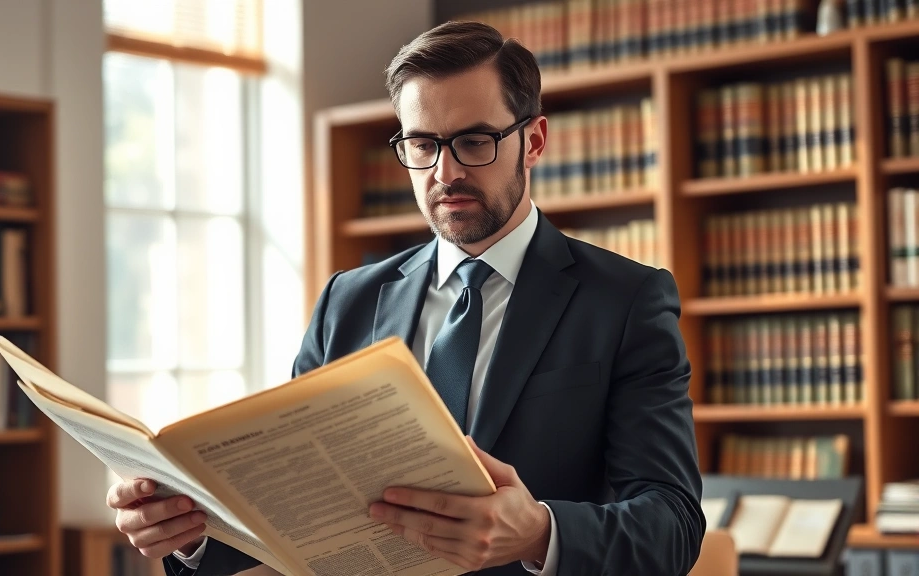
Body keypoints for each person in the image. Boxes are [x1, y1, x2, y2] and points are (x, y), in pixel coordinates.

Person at [106, 20, 705, 576]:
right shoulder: (349, 301)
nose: (444, 173)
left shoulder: (626, 300)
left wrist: (539, 534)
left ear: (535, 140)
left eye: (474, 141)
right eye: (422, 144)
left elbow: (673, 524)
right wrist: (189, 531)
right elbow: (293, 511)